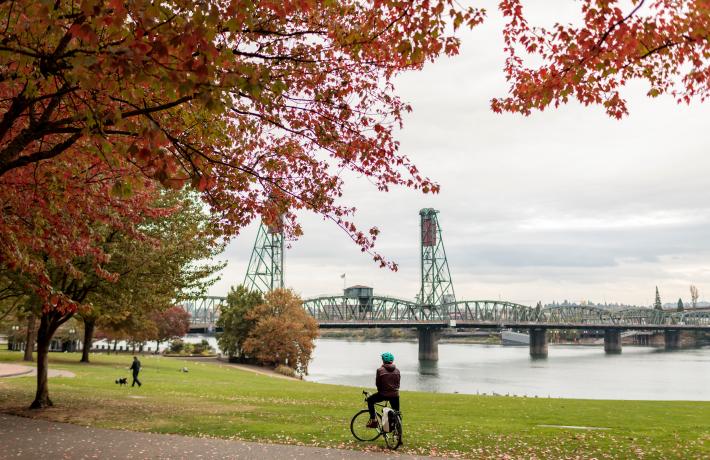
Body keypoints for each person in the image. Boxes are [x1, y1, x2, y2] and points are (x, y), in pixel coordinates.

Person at [366, 352, 400, 428]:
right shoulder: (397, 370)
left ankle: (374, 421)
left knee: (370, 400)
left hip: (383, 394)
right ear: (392, 361)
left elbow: (378, 384)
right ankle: (398, 430)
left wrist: (381, 391)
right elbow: (398, 384)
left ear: (383, 360)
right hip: (395, 395)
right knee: (397, 412)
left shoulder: (380, 370)